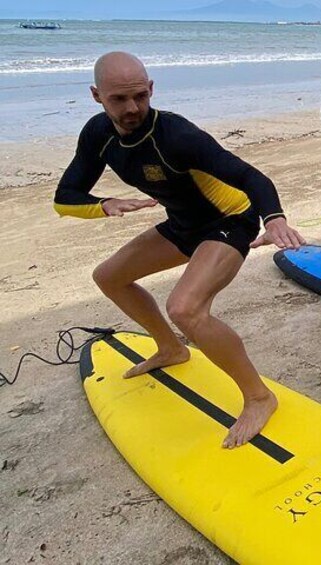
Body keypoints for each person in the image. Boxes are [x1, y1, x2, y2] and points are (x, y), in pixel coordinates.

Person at [53, 52, 305, 448]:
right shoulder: (98, 135)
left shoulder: (177, 136)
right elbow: (64, 197)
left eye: (140, 96)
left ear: (151, 89)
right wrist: (103, 205)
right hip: (183, 224)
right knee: (109, 277)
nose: (132, 107)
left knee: (186, 308)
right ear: (96, 96)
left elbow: (250, 176)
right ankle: (170, 348)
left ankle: (259, 397)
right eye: (119, 99)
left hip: (229, 222)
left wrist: (274, 218)